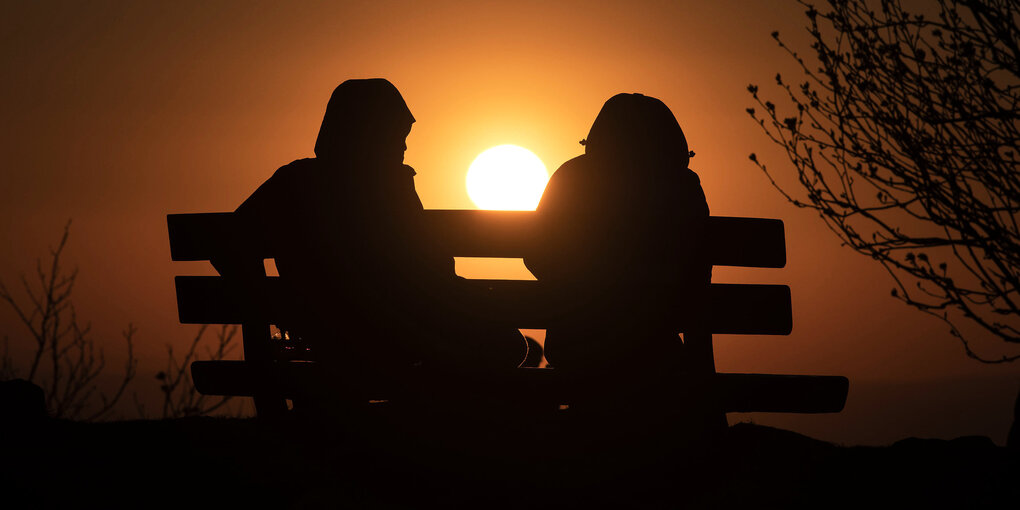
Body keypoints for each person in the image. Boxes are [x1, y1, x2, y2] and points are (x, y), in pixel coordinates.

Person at [227, 79, 526, 382]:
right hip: (394, 340)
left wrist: (270, 301)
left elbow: (228, 243)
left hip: (323, 340)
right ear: (372, 134)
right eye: (397, 134)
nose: (404, 145)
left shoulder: (292, 181)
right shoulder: (390, 187)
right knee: (507, 343)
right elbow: (429, 273)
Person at [525, 93, 711, 377]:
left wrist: (576, 285)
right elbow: (698, 274)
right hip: (655, 345)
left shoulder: (571, 177)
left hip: (577, 344)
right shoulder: (684, 187)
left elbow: (535, 255)